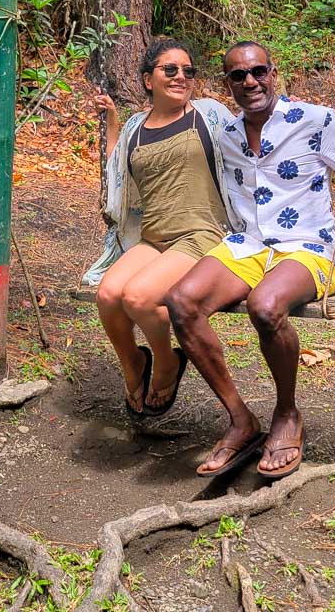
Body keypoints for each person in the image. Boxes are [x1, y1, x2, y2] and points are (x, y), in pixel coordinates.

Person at [166, 40, 335, 480]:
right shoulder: (229, 135)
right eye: (238, 76)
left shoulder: (316, 120)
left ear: (272, 72)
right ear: (228, 84)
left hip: (308, 245)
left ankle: (286, 414)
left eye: (258, 71)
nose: (250, 81)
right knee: (181, 302)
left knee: (265, 305)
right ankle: (241, 419)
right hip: (249, 244)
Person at [84, 38, 243, 419]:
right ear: (147, 79)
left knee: (138, 298)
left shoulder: (208, 115)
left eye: (188, 71)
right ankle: (133, 365)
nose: (180, 77)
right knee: (108, 294)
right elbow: (117, 172)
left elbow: (250, 146)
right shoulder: (137, 128)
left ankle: (166, 361)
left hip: (202, 233)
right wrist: (110, 123)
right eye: (169, 70)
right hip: (153, 237)